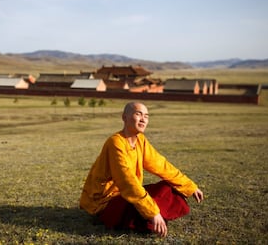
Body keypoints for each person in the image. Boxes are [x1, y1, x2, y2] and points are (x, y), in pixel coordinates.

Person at [79, 102, 204, 237]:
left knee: (169, 188)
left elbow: (161, 165)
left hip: (126, 195)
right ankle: (152, 219)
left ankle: (150, 219)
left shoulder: (140, 141)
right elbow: (127, 181)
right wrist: (153, 212)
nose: (143, 119)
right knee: (142, 210)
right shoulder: (115, 142)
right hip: (107, 202)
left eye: (146, 116)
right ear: (124, 117)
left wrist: (190, 186)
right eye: (138, 114)